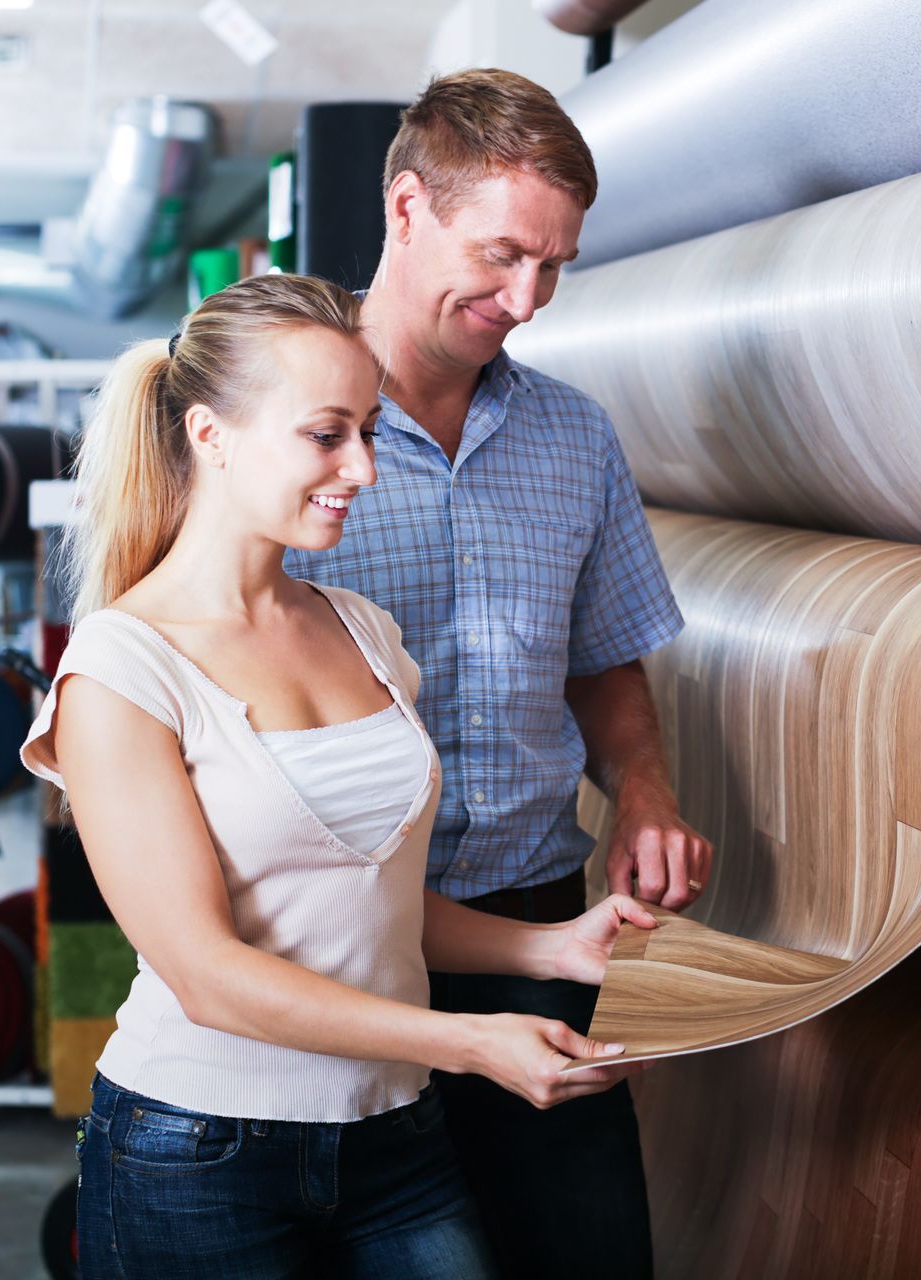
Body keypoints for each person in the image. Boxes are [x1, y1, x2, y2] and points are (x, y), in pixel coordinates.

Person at [19, 274, 656, 1279]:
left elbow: (371, 893)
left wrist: (557, 948)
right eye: (328, 433)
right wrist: (469, 1040)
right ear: (211, 435)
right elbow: (206, 971)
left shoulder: (362, 628)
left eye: (368, 427)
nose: (363, 465)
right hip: (201, 1150)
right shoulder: (121, 670)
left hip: (395, 1133)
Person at [282, 69, 710, 1278]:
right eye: (504, 253)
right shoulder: (281, 429)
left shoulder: (574, 436)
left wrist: (643, 790)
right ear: (407, 207)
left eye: (556, 264)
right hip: (335, 937)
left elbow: (602, 654)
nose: (527, 298)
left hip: (540, 927)